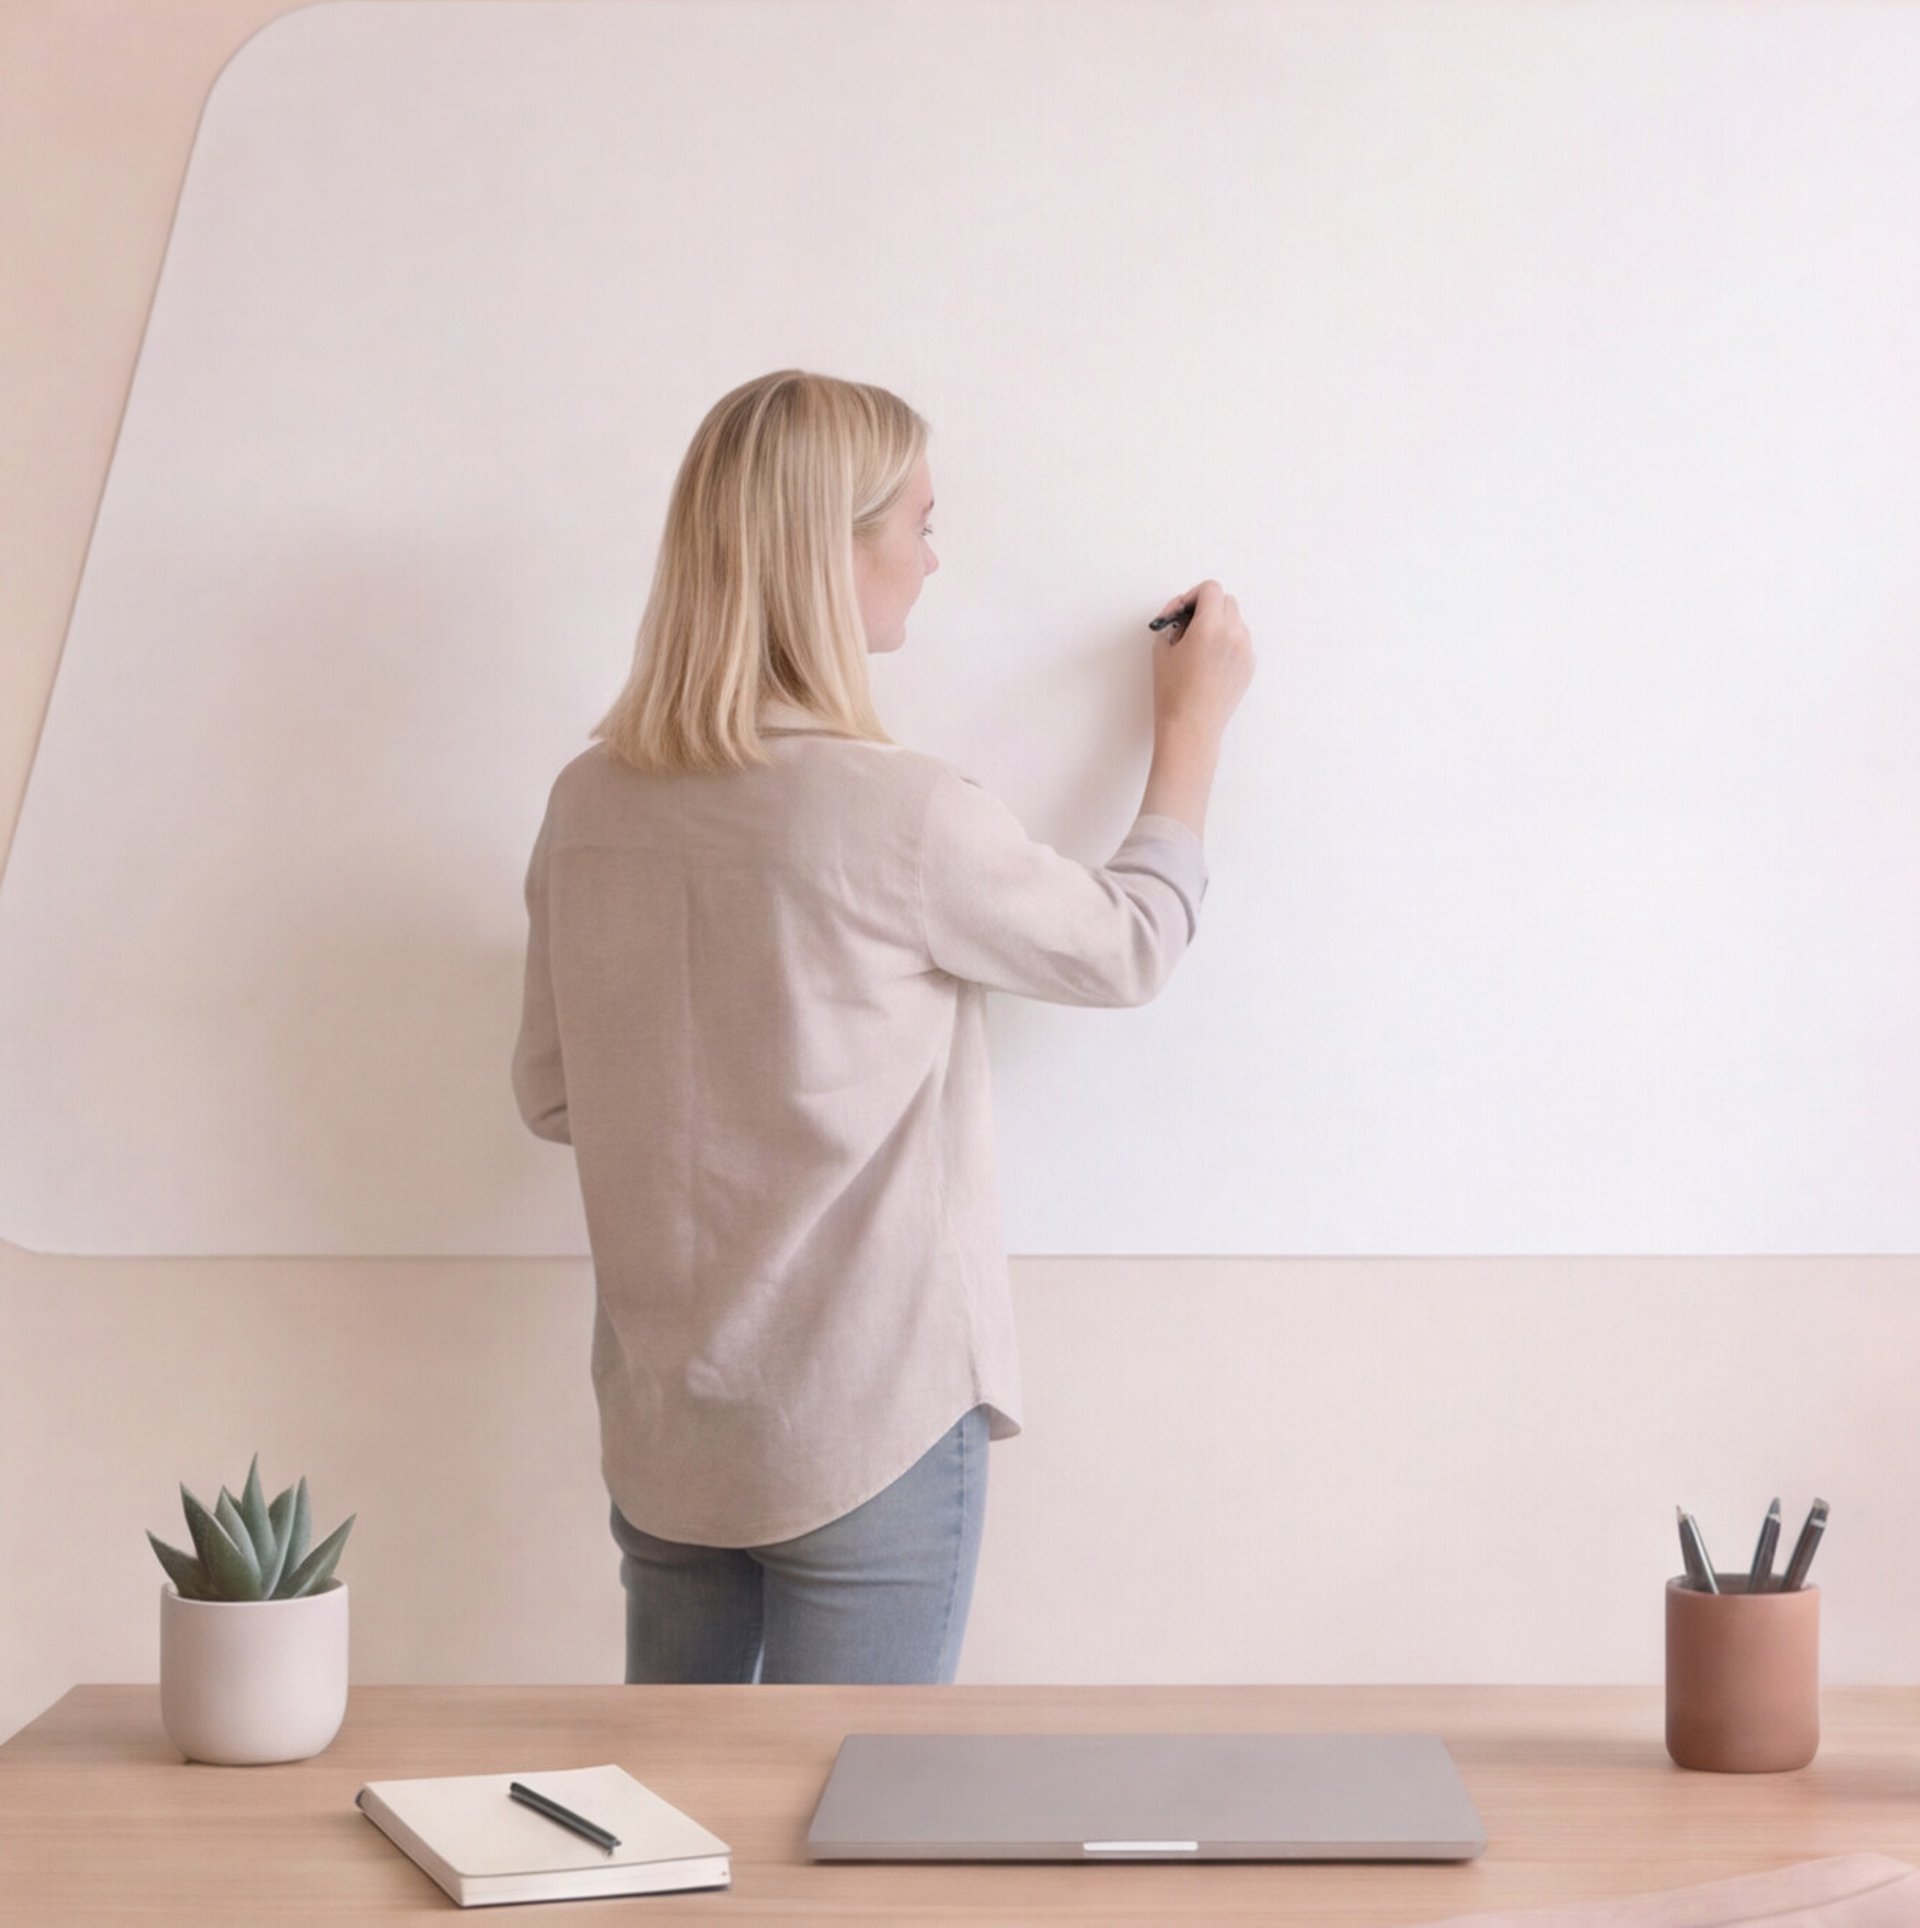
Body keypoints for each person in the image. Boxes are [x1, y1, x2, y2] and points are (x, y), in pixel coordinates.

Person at [510, 369, 1253, 1685]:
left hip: (668, 1428)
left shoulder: (587, 806)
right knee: (854, 1840)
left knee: (677, 1840)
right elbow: (1131, 945)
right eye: (914, 521)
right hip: (869, 1420)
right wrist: (1191, 730)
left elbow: (557, 1097)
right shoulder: (899, 813)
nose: (930, 555)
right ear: (832, 553)